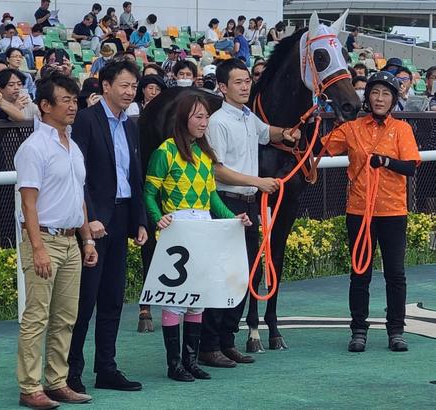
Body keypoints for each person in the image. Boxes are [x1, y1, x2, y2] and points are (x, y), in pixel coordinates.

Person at [199, 58, 301, 367]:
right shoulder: (218, 122)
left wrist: (288, 132)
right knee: (222, 277)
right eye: (239, 82)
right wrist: (257, 182)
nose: (245, 87)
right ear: (222, 87)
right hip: (225, 202)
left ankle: (227, 340)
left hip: (247, 205)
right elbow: (217, 170)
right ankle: (210, 345)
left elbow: (267, 132)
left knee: (244, 275)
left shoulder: (247, 116)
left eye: (247, 81)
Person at [144, 93, 252, 382]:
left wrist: (233, 217)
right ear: (183, 119)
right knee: (175, 299)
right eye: (198, 117)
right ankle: (174, 363)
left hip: (203, 226)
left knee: (197, 299)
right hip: (177, 227)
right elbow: (149, 193)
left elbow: (211, 198)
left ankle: (190, 361)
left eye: (205, 117)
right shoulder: (165, 152)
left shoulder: (205, 156)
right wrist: (158, 218)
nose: (204, 122)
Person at [15, 71, 97, 409]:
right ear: (45, 106)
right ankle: (30, 386)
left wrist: (87, 239)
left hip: (71, 241)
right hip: (44, 239)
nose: (73, 106)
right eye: (65, 100)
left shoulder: (72, 145)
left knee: (66, 316)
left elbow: (77, 195)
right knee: (37, 316)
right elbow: (28, 203)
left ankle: (57, 381)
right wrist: (37, 249)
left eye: (74, 100)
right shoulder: (34, 147)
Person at [321, 71, 421, 353]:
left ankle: (396, 330)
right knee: (359, 273)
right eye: (375, 93)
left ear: (393, 99)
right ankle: (358, 330)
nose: (379, 99)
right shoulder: (352, 128)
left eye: (386, 94)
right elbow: (322, 148)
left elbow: (411, 166)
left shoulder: (402, 130)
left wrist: (386, 161)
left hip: (392, 211)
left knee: (395, 273)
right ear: (368, 97)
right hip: (359, 210)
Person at [67, 60, 148, 394]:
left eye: (133, 87)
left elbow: (135, 175)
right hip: (94, 225)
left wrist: (141, 220)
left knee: (114, 298)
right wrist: (90, 218)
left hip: (122, 217)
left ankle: (107, 368)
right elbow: (78, 175)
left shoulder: (130, 124)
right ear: (106, 86)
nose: (130, 92)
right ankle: (71, 372)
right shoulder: (86, 120)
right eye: (124, 86)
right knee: (85, 301)